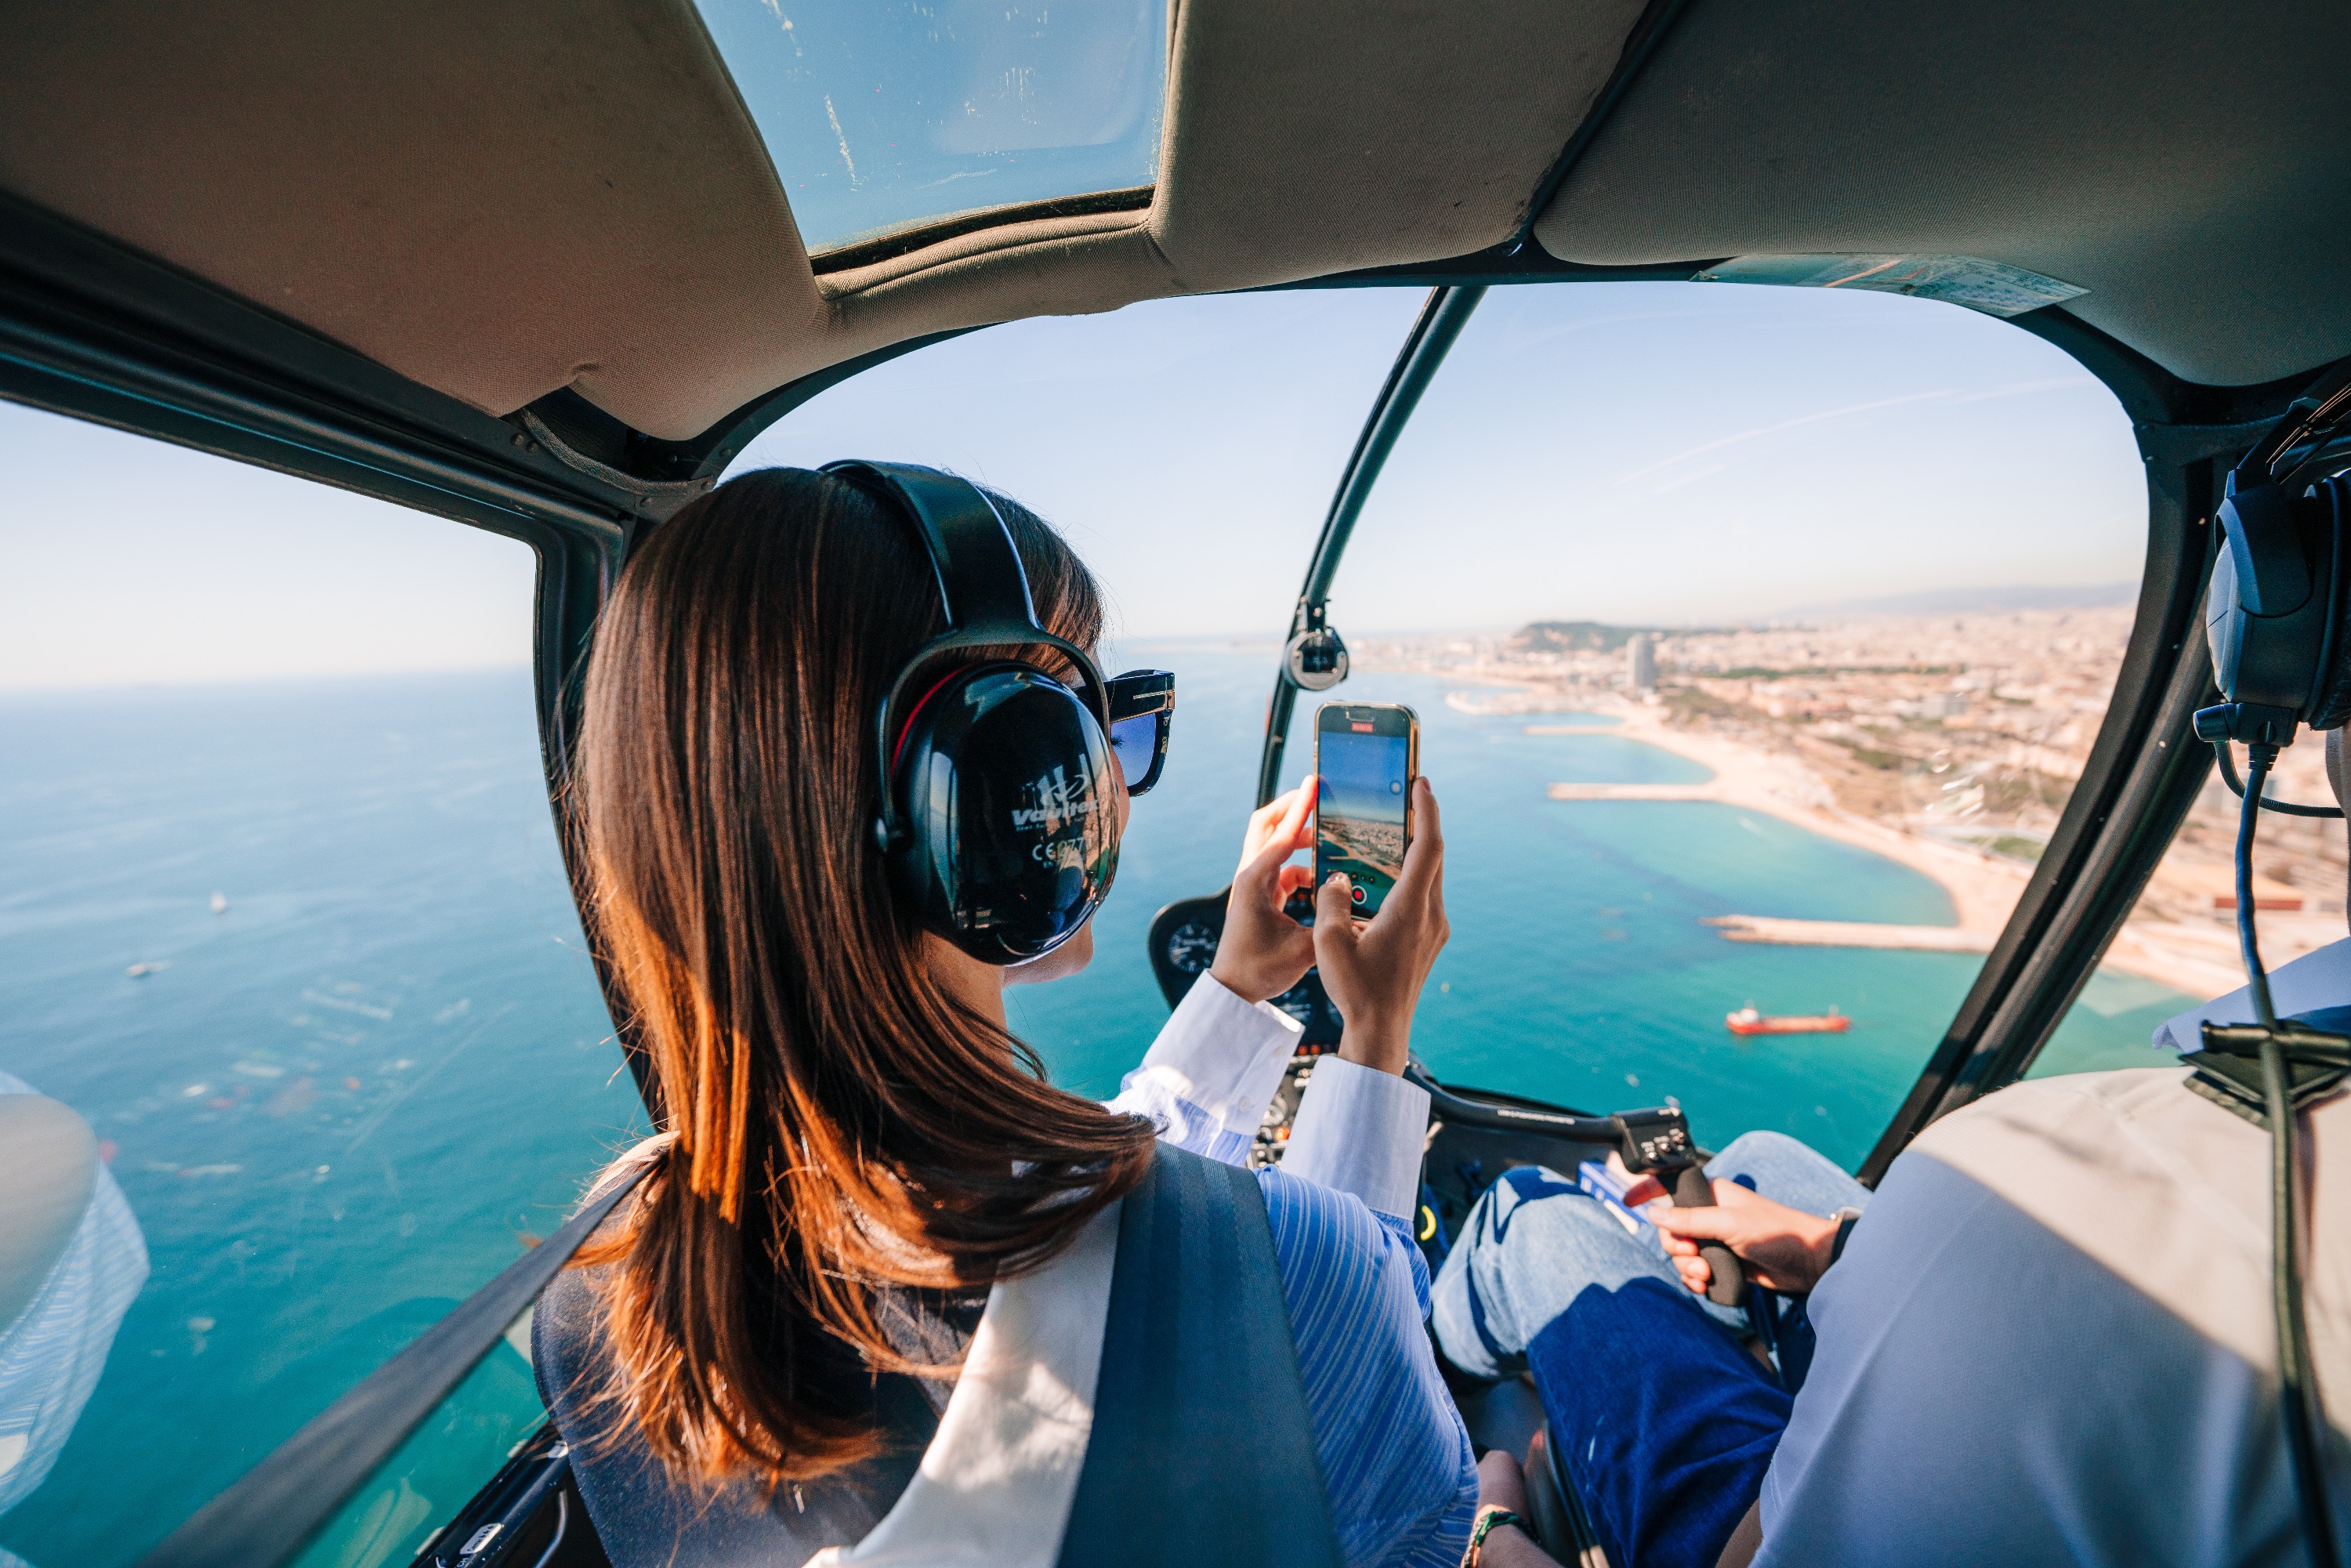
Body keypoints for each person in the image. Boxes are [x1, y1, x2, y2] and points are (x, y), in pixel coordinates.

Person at [532, 465, 1476, 1568]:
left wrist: (1229, 996)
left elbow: (1070, 1241)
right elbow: (1409, 1495)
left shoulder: (609, 1272)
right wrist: (1373, 1039)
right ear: (1003, 788)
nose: (1112, 779)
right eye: (1090, 732)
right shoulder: (1289, 1271)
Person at [1436, 730, 2351, 1568]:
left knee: (1534, 1215)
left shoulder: (2051, 1156)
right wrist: (1833, 1251)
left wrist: (1495, 1528)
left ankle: (1435, 1363)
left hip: (1772, 1537)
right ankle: (1729, 1319)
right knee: (1755, 1160)